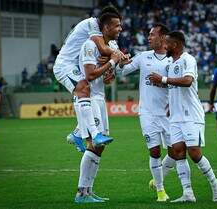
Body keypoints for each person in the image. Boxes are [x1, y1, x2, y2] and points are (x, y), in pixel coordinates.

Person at [149, 31, 217, 203]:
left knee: (194, 153)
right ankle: (187, 193)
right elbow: (174, 87)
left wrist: (163, 79)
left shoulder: (188, 59)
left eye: (167, 44)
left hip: (191, 115)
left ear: (174, 45)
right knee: (178, 151)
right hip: (175, 116)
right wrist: (170, 104)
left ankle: (215, 183)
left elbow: (188, 81)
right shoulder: (170, 63)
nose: (164, 46)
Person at [117, 23, 175, 202]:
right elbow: (122, 72)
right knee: (155, 151)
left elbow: (178, 85)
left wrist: (164, 82)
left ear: (163, 38)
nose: (149, 38)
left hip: (168, 114)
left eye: (152, 35)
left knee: (176, 153)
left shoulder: (173, 60)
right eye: (148, 35)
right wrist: (121, 63)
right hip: (147, 113)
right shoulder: (143, 56)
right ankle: (160, 191)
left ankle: (158, 178)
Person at [53, 5, 124, 147]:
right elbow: (103, 49)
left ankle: (78, 133)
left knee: (85, 91)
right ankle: (93, 134)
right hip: (64, 65)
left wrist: (113, 61)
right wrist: (116, 56)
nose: (120, 28)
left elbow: (106, 55)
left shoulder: (107, 39)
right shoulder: (91, 24)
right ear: (105, 24)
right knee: (83, 88)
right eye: (116, 25)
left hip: (75, 65)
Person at [74, 12, 123, 204]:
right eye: (117, 25)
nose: (120, 29)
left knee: (99, 146)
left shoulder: (109, 47)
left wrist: (110, 73)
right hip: (88, 99)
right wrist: (112, 62)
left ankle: (88, 191)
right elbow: (90, 74)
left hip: (99, 98)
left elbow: (103, 77)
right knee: (94, 144)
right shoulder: (89, 45)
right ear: (105, 28)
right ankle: (81, 193)